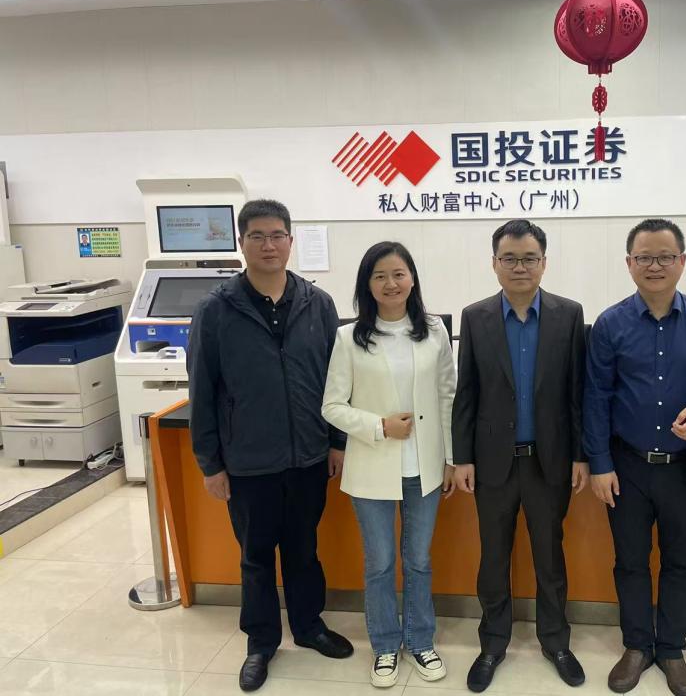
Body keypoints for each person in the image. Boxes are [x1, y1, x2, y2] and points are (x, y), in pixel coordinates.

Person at [187, 199, 353, 693]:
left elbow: (337, 381)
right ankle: (260, 643)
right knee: (256, 557)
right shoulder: (216, 309)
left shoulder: (317, 304)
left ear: (290, 241)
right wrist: (210, 463)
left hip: (308, 456)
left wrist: (336, 442)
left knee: (304, 549)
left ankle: (309, 627)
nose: (268, 245)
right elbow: (202, 390)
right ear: (241, 243)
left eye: (277, 235)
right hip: (248, 460)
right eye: (257, 236)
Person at [585, 218, 686, 696]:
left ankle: (672, 649)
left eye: (664, 256)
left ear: (682, 261)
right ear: (629, 263)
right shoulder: (610, 324)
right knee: (630, 561)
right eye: (644, 257)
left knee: (681, 560)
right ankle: (637, 646)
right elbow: (595, 396)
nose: (654, 266)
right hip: (627, 467)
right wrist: (599, 463)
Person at [452, 219, 589, 693]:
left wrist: (580, 455)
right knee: (493, 558)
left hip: (549, 461)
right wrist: (462, 458)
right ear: (494, 263)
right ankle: (492, 644)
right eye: (509, 258)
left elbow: (577, 393)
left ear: (544, 263)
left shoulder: (569, 315)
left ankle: (556, 642)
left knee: (550, 556)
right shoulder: (475, 317)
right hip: (493, 461)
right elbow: (467, 392)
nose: (519, 267)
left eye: (529, 258)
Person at [322, 242, 456, 688]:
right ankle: (384, 645)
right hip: (372, 467)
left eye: (398, 274)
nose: (391, 283)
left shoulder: (434, 331)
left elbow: (448, 396)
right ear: (367, 285)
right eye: (379, 276)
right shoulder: (349, 338)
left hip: (425, 468)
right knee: (379, 562)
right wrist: (379, 426)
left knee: (418, 560)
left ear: (412, 279)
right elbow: (332, 406)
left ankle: (420, 640)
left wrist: (451, 458)